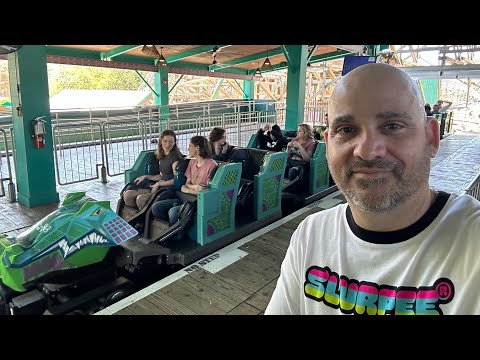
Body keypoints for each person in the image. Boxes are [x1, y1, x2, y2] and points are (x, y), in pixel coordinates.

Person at [265, 63, 480, 315]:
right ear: (329, 146)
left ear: (431, 138)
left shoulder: (471, 241)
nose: (367, 151)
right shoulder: (310, 235)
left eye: (392, 126)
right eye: (346, 130)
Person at [151, 135, 217, 225]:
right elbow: (187, 184)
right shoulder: (192, 162)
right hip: (186, 198)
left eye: (190, 146)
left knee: (173, 212)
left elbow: (205, 192)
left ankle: (179, 235)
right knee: (156, 207)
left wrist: (187, 189)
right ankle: (170, 229)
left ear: (197, 148)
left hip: (199, 202)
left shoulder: (211, 165)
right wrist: (193, 187)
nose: (188, 148)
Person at [123, 129, 183, 210]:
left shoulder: (175, 157)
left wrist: (159, 184)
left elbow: (176, 180)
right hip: (160, 186)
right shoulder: (162, 155)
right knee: (128, 195)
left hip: (169, 190)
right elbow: (162, 176)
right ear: (161, 141)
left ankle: (144, 221)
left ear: (174, 142)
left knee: (141, 199)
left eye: (170, 141)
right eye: (165, 141)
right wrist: (146, 176)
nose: (167, 144)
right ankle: (133, 218)